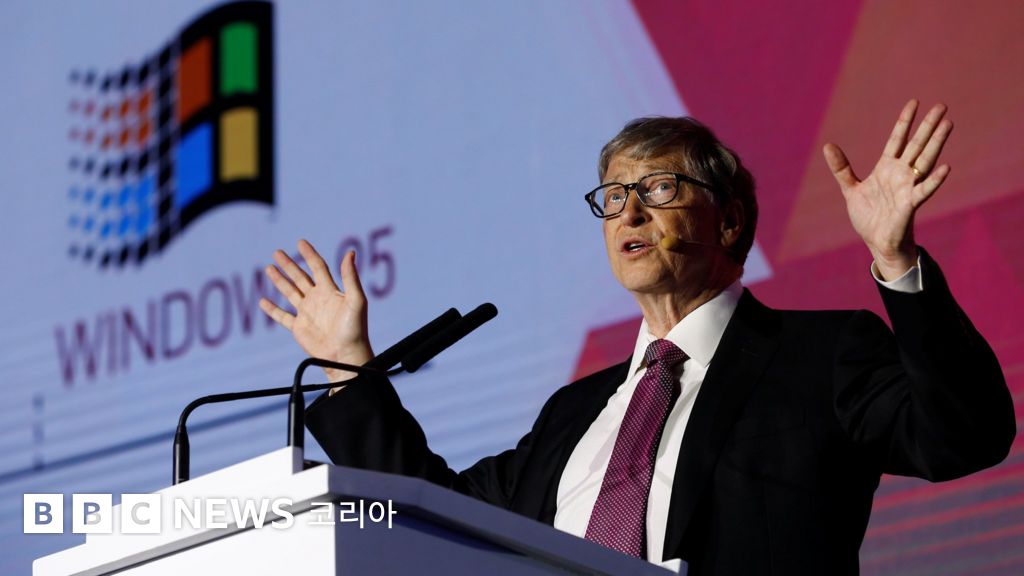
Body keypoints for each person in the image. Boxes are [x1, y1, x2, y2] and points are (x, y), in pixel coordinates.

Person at [258, 100, 1015, 575]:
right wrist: (348, 368)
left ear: (729, 220)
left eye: (658, 189)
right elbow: (439, 516)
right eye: (615, 195)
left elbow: (965, 436)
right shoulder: (572, 414)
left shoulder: (820, 356)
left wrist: (895, 260)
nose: (628, 213)